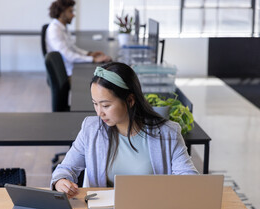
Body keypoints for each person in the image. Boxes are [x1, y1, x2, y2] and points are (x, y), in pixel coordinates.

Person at [51, 62, 199, 198]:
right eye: (95, 104)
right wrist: (61, 181)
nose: (99, 112)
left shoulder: (168, 132)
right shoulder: (91, 129)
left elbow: (188, 177)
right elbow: (66, 168)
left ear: (130, 100)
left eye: (106, 105)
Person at [46, 0, 112, 77]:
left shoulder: (62, 27)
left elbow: (72, 47)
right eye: (70, 12)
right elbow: (69, 56)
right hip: (66, 73)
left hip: (70, 67)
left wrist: (89, 54)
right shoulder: (54, 30)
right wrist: (93, 59)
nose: (73, 15)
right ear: (61, 13)